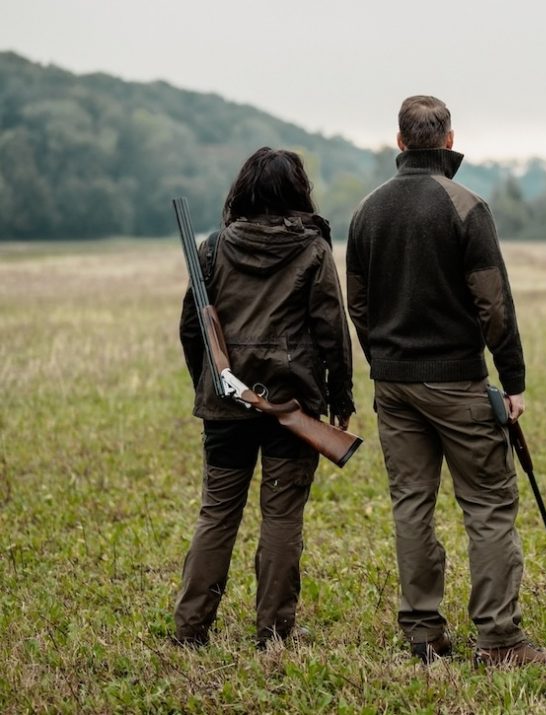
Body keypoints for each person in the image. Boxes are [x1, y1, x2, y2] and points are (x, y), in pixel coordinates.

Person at [346, 95, 546, 667]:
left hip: (393, 384)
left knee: (411, 504)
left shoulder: (367, 210)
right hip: (458, 382)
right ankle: (499, 639)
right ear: (448, 140)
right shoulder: (467, 206)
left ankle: (423, 632)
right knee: (489, 505)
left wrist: (383, 357)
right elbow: (493, 303)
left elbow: (358, 303)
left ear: (399, 141)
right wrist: (512, 378)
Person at [173, 147, 355, 650]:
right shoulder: (313, 250)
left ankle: (191, 629)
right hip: (290, 404)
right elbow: (331, 330)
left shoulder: (211, 249)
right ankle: (273, 634)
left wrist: (210, 384)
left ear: (244, 189)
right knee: (281, 518)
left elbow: (192, 329)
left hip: (225, 408)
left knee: (217, 514)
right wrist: (341, 395)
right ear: (296, 192)